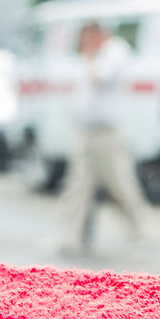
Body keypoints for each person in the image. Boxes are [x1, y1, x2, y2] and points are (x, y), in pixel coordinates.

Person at [58, 22, 150, 255]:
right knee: (78, 185)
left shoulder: (115, 51)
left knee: (118, 183)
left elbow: (98, 79)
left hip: (106, 133)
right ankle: (71, 236)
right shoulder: (96, 56)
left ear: (97, 34)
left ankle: (141, 228)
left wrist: (89, 55)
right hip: (87, 131)